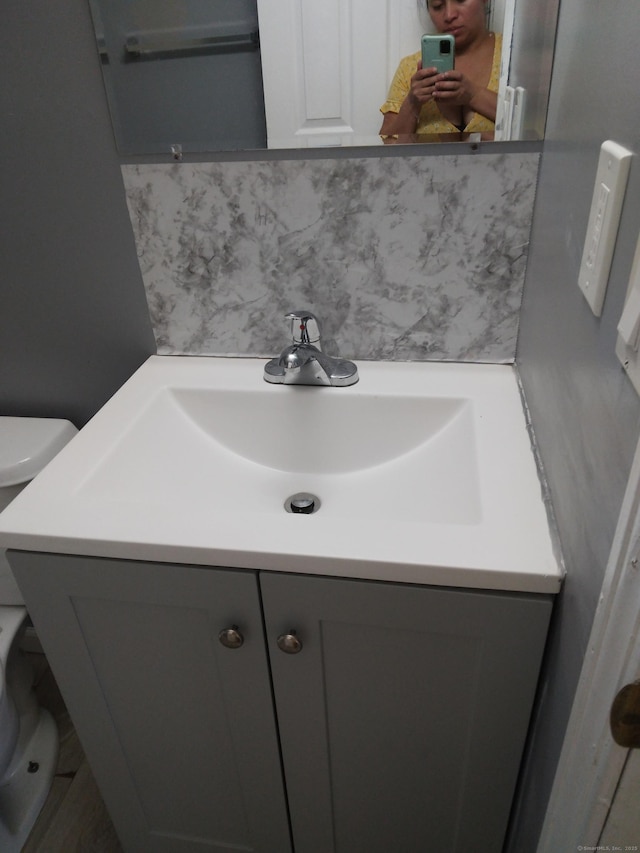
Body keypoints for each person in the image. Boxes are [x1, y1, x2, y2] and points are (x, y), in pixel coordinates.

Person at [379, 0, 501, 137]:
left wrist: (473, 95)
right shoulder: (410, 68)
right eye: (437, 6)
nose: (449, 15)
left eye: (460, 0)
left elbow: (527, 124)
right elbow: (384, 149)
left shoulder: (514, 57)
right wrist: (412, 104)